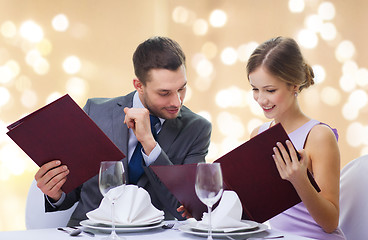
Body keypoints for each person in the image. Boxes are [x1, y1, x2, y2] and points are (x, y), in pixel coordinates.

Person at [34, 36, 212, 226]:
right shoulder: (96, 112)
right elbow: (72, 194)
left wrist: (150, 145)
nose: (177, 102)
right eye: (164, 93)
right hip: (91, 234)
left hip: (156, 237)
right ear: (138, 85)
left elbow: (185, 210)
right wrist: (55, 194)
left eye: (182, 89)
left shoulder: (197, 129)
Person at [246, 36, 345, 239]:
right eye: (255, 89)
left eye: (270, 90)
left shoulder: (318, 136)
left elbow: (330, 222)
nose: (261, 99)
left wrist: (299, 180)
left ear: (294, 86)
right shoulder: (258, 134)